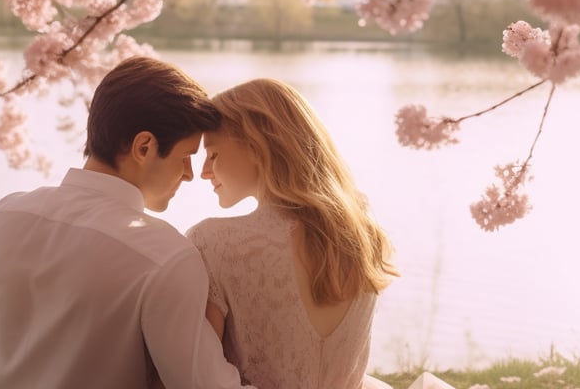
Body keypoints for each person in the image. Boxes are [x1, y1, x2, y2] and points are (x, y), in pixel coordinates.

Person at [0, 56, 256, 389]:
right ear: (144, 146)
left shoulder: (2, 217)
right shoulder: (163, 256)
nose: (189, 174)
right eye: (185, 157)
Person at [188, 78, 449, 389]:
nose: (203, 171)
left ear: (256, 148)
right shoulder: (361, 235)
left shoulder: (212, 243)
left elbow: (199, 378)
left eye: (213, 154)